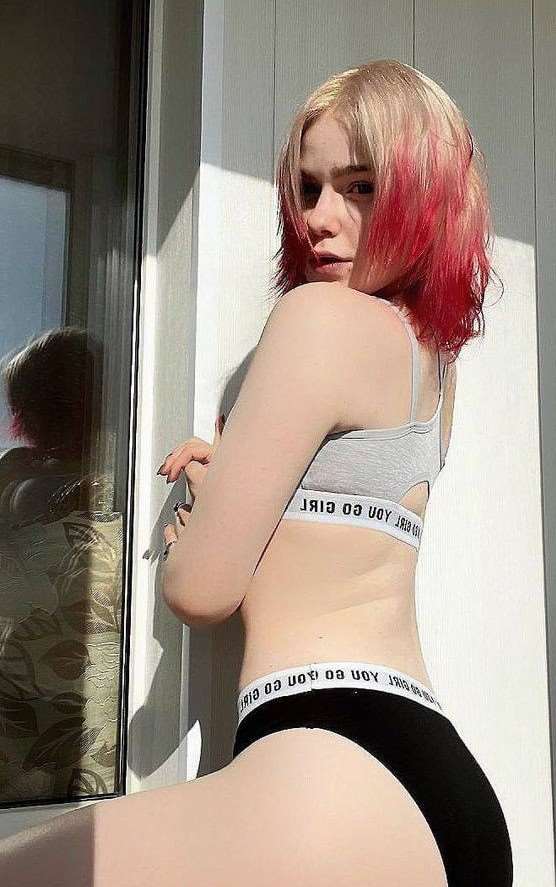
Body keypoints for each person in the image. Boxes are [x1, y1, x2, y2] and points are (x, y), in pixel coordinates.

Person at [0, 59, 512, 887]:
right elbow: (332, 533)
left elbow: (201, 589)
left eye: (360, 187)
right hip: (439, 786)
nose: (319, 217)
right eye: (308, 188)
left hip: (327, 763)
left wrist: (197, 519)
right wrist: (242, 478)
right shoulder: (433, 365)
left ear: (425, 195)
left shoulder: (318, 318)